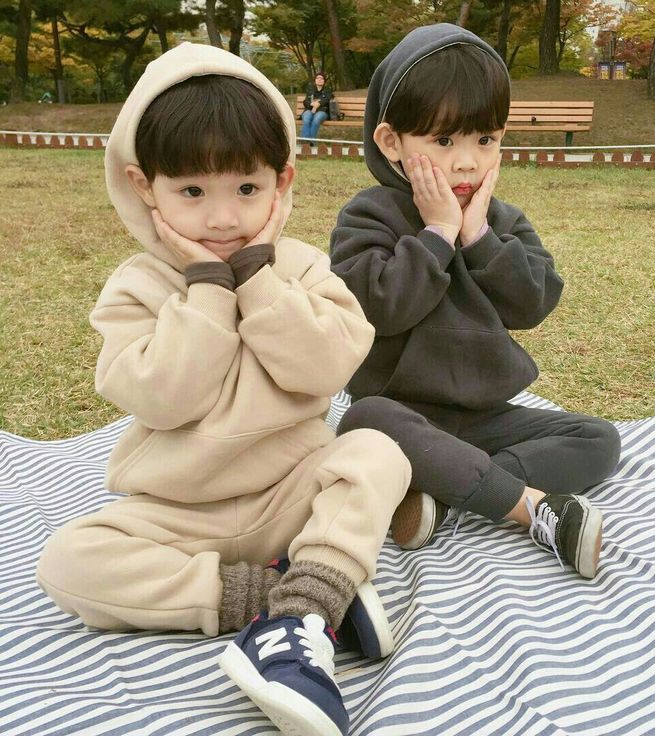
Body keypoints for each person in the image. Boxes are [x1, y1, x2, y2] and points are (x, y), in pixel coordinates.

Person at [35, 42, 411, 736]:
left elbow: (326, 368)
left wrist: (259, 279)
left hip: (289, 494)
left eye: (246, 188)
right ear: (145, 185)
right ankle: (292, 598)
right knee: (68, 563)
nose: (221, 219)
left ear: (282, 179)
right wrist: (208, 290)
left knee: (377, 451)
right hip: (180, 513)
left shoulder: (302, 267)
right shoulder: (136, 287)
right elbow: (165, 398)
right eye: (191, 192)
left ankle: (306, 599)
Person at [329, 24, 621, 579]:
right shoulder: (368, 216)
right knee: (361, 423)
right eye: (444, 142)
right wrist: (438, 233)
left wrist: (478, 236)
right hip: (404, 415)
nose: (466, 163)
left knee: (598, 438)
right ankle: (525, 506)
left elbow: (533, 303)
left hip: (483, 419)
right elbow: (378, 310)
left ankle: (450, 488)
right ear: (392, 143)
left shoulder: (501, 221)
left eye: (484, 140)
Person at [300, 71, 332, 140]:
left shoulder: (327, 90)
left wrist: (319, 104)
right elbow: (305, 101)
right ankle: (305, 140)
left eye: (321, 78)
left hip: (322, 111)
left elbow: (327, 99)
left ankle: (310, 141)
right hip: (309, 110)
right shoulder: (310, 90)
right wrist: (311, 104)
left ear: (324, 81)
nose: (319, 79)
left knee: (316, 119)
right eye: (318, 78)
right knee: (306, 118)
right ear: (315, 80)